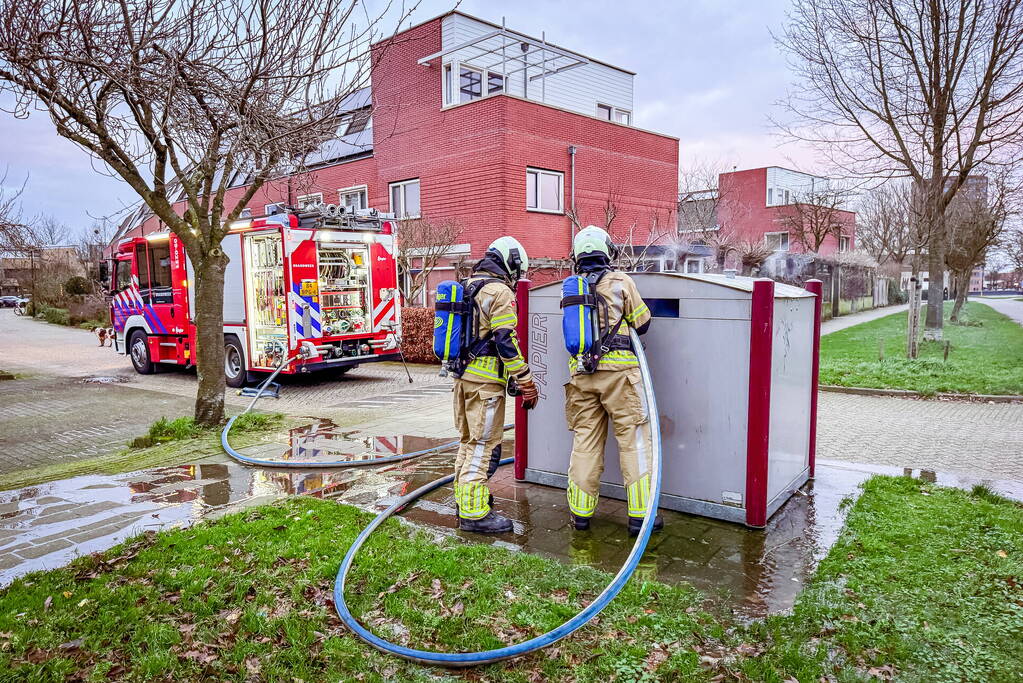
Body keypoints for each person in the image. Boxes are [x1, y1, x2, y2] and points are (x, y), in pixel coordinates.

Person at [563, 226, 660, 536]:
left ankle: (580, 515)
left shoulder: (572, 288)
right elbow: (642, 323)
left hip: (581, 375)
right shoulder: (621, 281)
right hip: (621, 376)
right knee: (634, 442)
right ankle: (640, 518)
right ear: (607, 251)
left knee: (585, 443)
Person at [452, 236, 539, 533]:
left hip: (462, 379)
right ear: (511, 264)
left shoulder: (467, 286)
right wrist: (525, 379)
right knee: (483, 447)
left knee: (467, 443)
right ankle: (475, 515)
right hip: (486, 385)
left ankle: (465, 501)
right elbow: (505, 340)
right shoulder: (499, 291)